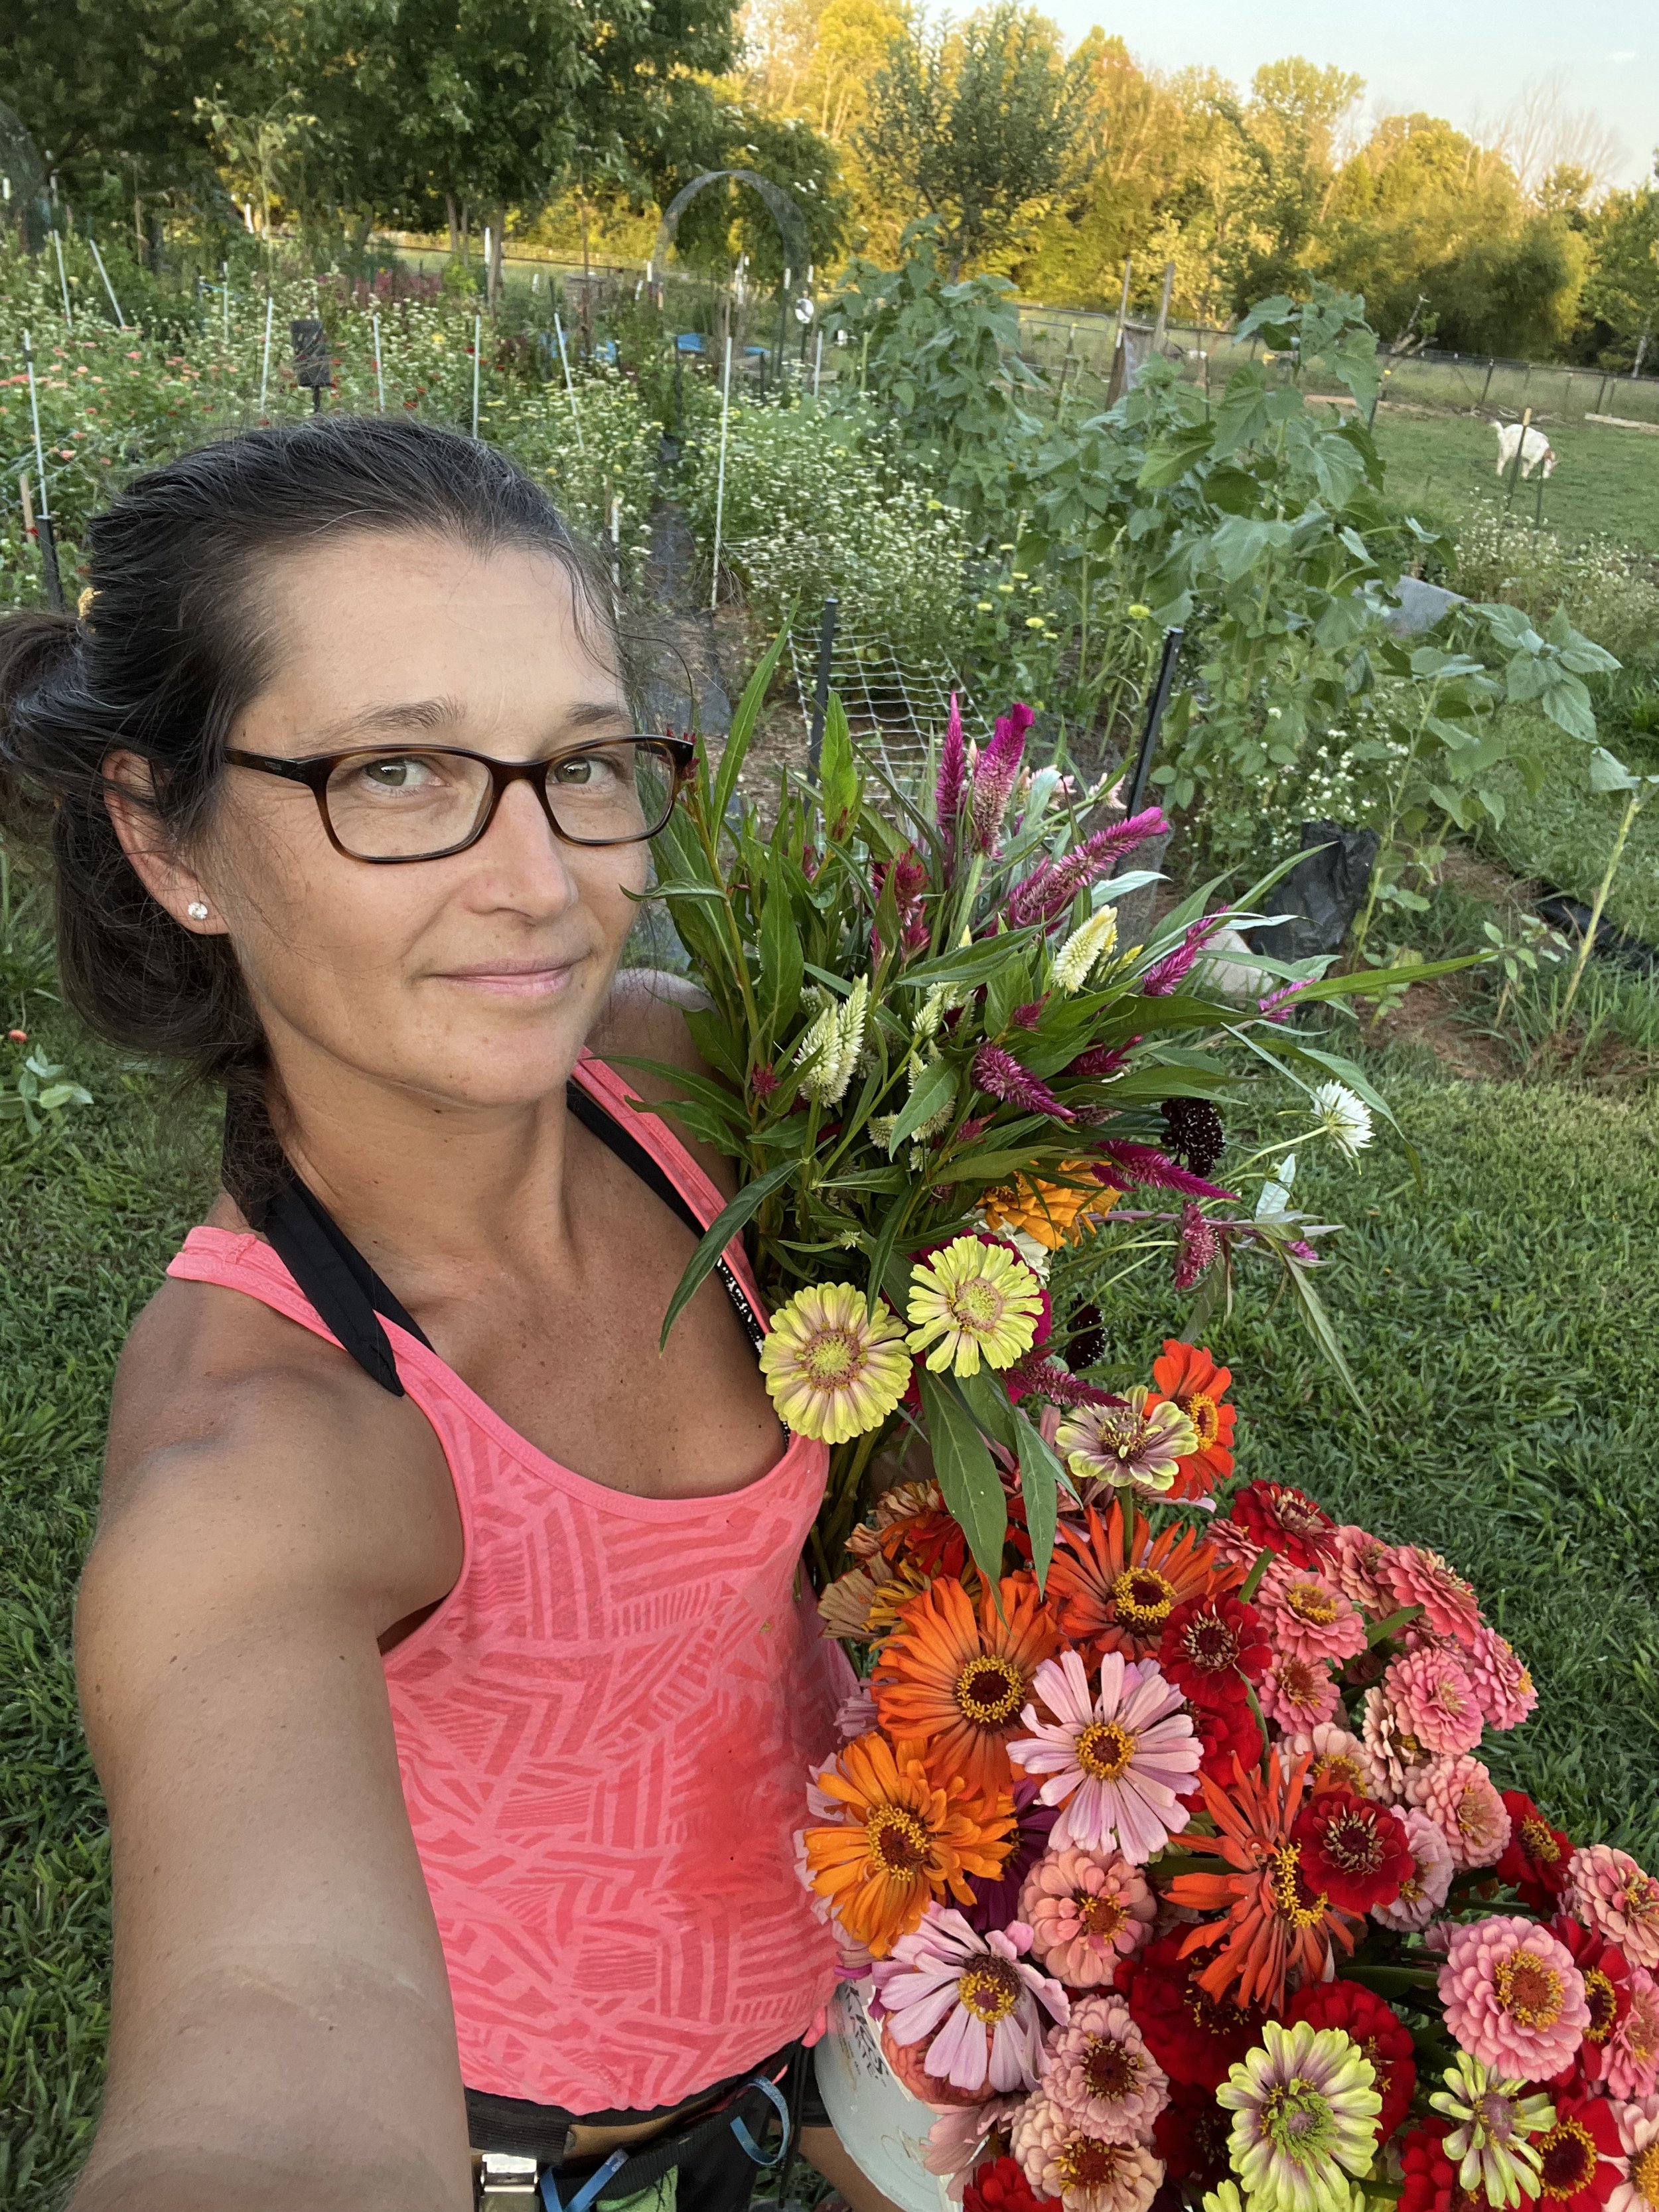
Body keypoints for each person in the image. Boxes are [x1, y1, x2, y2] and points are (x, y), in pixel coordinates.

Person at [0, 415, 897, 2212]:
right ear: (171, 840)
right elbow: (277, 2023)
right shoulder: (264, 1448)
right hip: (551, 2142)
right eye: (398, 774)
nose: (543, 881)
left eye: (577, 765)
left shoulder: (672, 1083)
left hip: (844, 2008)